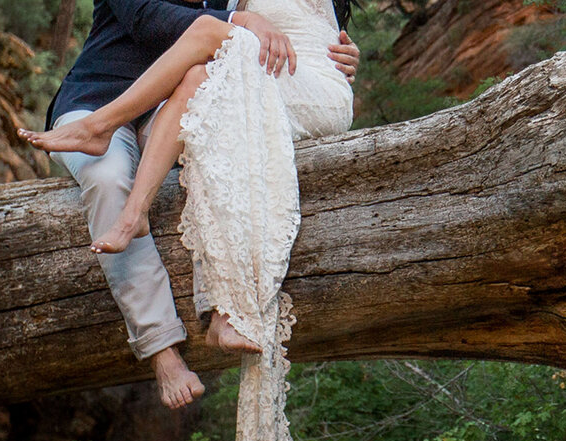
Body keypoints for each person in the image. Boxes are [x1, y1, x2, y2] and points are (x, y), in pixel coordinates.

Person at [22, 0, 358, 409]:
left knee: (211, 140)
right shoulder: (228, 10)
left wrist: (332, 51)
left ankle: (220, 305)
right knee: (108, 180)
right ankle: (161, 349)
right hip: (98, 97)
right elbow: (149, 19)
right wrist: (239, 21)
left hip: (169, 107)